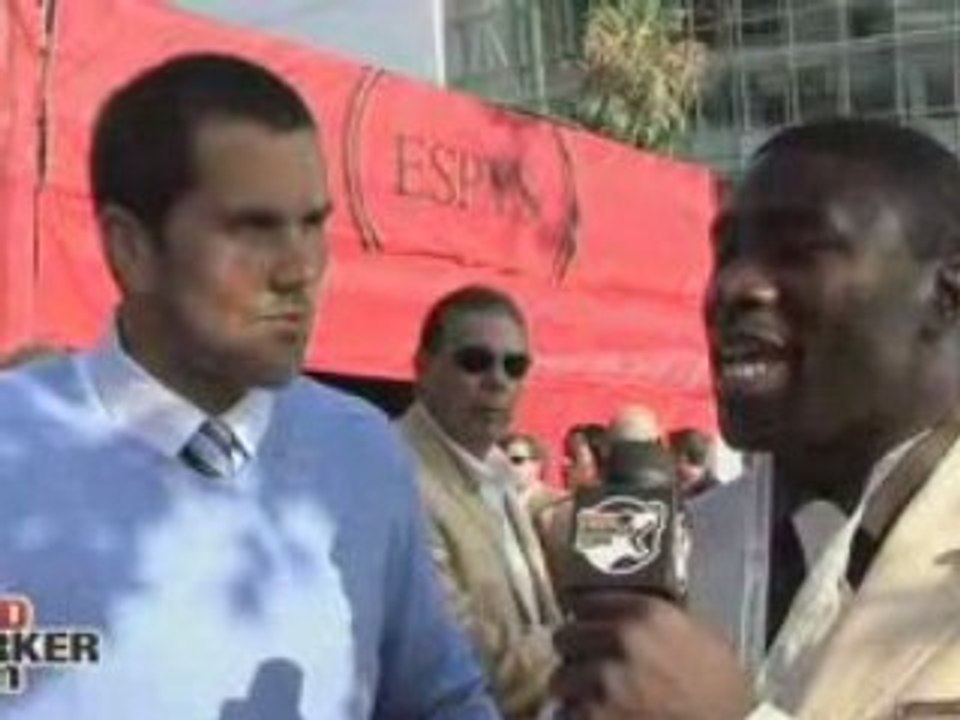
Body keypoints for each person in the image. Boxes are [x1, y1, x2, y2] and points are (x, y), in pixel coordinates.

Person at [0, 53, 497, 718]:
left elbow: (440, 700)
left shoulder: (360, 452)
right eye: (253, 228)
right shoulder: (15, 451)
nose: (301, 270)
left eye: (314, 224)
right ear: (131, 248)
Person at [553, 118, 960, 719]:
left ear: (946, 296)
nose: (734, 288)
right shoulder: (674, 549)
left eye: (800, 251)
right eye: (726, 255)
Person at [397, 285, 561, 720]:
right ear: (422, 367)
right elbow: (454, 657)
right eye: (475, 361)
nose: (498, 381)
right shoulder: (394, 475)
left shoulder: (500, 470)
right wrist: (588, 645)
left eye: (515, 366)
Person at [668, 427, 721, 498]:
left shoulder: (717, 493)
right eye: (676, 456)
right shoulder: (664, 491)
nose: (683, 466)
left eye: (695, 457)